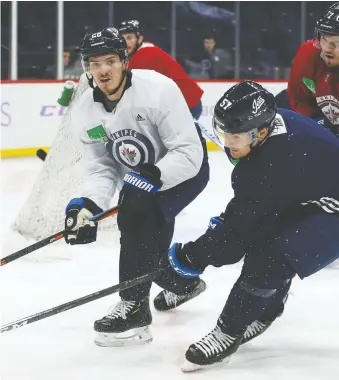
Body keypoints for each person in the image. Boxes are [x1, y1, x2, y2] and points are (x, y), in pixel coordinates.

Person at [164, 80, 339, 372]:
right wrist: (201, 253)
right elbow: (248, 220)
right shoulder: (271, 131)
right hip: (306, 195)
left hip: (332, 210)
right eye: (224, 134)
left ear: (261, 131)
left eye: (236, 137)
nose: (228, 144)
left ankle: (228, 332)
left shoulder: (276, 161)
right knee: (265, 242)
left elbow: (239, 231)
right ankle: (267, 307)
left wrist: (191, 257)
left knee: (269, 259)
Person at [63, 27, 209, 347]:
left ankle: (134, 309)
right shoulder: (87, 110)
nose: (103, 70)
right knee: (147, 240)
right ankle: (181, 283)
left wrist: (149, 178)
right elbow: (102, 166)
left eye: (110, 61)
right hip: (139, 177)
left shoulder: (157, 90)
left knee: (137, 219)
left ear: (125, 61)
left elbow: (188, 153)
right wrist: (88, 204)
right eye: (94, 63)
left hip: (183, 169)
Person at [118, 20, 204, 121]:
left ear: (139, 38)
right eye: (122, 38)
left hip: (186, 103)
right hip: (183, 103)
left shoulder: (144, 55)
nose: (126, 42)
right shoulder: (142, 50)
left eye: (129, 38)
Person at [287, 2, 339, 137]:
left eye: (337, 42)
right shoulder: (309, 55)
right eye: (324, 38)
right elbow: (299, 99)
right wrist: (317, 124)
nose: (327, 48)